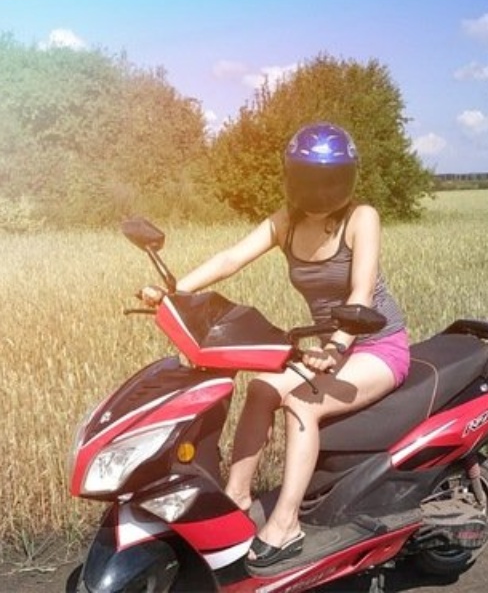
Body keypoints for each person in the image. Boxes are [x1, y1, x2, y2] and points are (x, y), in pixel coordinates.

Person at [142, 122, 410, 568]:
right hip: (329, 350)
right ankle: (237, 497)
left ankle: (286, 524)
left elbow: (361, 293)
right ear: (294, 177)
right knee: (262, 388)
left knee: (302, 404)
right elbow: (231, 258)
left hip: (376, 345)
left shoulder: (361, 218)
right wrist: (174, 292)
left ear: (347, 178)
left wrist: (337, 345)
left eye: (331, 179)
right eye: (310, 178)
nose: (321, 189)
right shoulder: (286, 220)